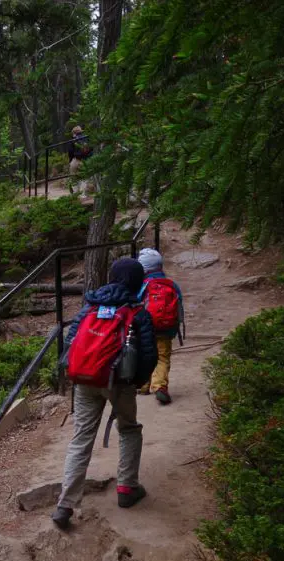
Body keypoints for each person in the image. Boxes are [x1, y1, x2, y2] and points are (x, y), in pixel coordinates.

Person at [52, 258, 158, 530]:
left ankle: (65, 505)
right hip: (120, 381)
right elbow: (148, 356)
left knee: (81, 438)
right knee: (129, 429)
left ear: (110, 277)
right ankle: (126, 489)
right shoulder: (138, 312)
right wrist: (137, 381)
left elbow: (69, 344)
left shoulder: (90, 307)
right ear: (137, 282)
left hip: (85, 380)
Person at [136, 248, 184, 404]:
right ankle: (160, 387)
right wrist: (176, 326)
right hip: (165, 328)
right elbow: (179, 306)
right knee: (162, 358)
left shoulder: (142, 285)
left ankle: (143, 385)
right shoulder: (171, 284)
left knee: (144, 355)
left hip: (146, 328)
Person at [67, 125, 93, 197]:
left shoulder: (73, 140)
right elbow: (91, 149)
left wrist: (71, 161)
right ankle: (83, 195)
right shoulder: (87, 138)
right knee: (84, 178)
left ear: (74, 133)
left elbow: (70, 152)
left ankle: (75, 195)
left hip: (76, 160)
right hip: (86, 161)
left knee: (74, 179)